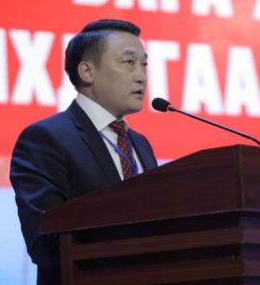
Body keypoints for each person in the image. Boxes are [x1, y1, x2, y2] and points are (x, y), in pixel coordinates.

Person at [10, 19, 158, 285]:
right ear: (87, 72)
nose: (141, 76)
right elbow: (43, 243)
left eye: (143, 64)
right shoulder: (46, 139)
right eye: (129, 62)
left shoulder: (140, 143)